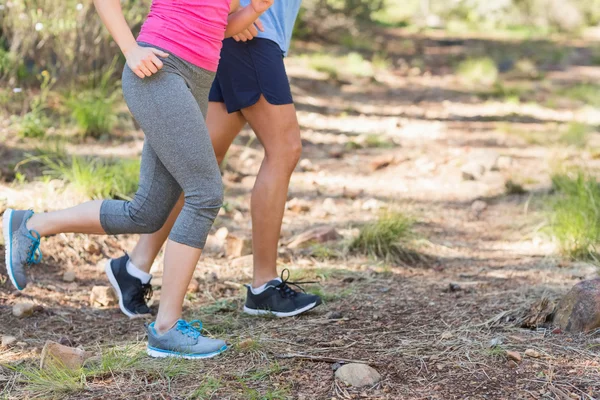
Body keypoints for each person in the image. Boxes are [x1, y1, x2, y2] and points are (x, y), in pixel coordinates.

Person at [3, 0, 274, 359]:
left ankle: (30, 224)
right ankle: (165, 328)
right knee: (205, 194)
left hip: (194, 81)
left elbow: (212, 27)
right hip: (158, 70)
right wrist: (130, 50)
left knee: (146, 212)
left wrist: (254, 10)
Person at [105, 0, 323, 320]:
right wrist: (238, 12)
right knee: (284, 148)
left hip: (239, 30)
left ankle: (135, 266)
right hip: (250, 35)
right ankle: (264, 283)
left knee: (203, 156)